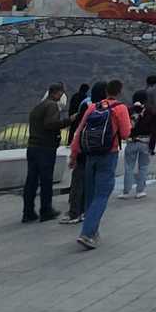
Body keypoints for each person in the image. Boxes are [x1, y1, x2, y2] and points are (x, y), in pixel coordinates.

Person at [69, 79, 132, 250]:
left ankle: (93, 231)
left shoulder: (92, 107)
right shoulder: (120, 108)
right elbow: (125, 133)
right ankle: (87, 233)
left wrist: (74, 155)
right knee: (102, 194)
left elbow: (79, 131)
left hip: (90, 155)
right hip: (108, 154)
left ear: (105, 92)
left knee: (90, 194)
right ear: (119, 91)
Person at [22, 83, 66, 222]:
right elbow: (50, 124)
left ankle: (28, 212)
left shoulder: (38, 106)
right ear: (58, 93)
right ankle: (46, 210)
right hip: (45, 148)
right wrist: (67, 121)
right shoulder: (52, 106)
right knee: (46, 180)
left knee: (31, 180)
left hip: (33, 147)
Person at [60, 82, 95, 225]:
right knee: (88, 182)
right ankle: (86, 211)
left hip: (82, 150)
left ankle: (74, 213)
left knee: (77, 182)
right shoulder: (103, 108)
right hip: (95, 151)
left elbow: (78, 136)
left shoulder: (84, 104)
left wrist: (73, 156)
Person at [120, 90, 156, 199]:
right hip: (145, 143)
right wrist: (152, 147)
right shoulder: (151, 112)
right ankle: (140, 191)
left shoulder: (129, 111)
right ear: (146, 100)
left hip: (131, 142)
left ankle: (126, 192)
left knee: (129, 167)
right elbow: (154, 131)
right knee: (143, 167)